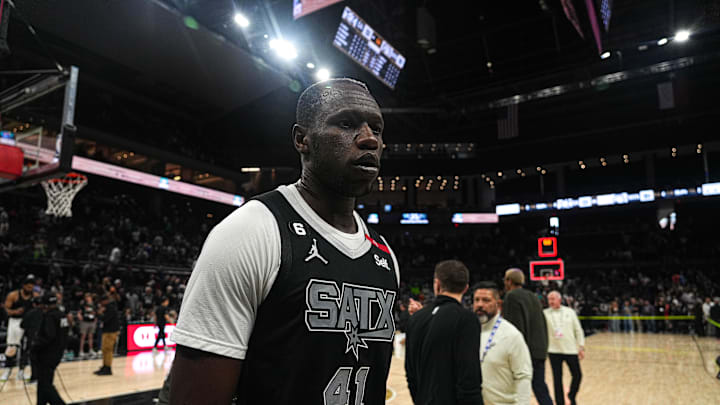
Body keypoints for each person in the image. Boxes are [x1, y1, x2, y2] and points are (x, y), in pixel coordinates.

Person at [170, 78, 400, 404]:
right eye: (347, 124)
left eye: (376, 129)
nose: (368, 139)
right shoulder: (250, 231)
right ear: (302, 140)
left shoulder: (385, 256)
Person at [405, 260, 483, 405]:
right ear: (466, 288)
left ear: (437, 284)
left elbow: (411, 375)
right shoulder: (467, 319)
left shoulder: (416, 318)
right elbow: (468, 378)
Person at [472, 281, 532, 405]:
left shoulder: (512, 335)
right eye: (476, 300)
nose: (480, 305)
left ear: (498, 304)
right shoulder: (468, 332)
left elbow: (523, 376)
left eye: (486, 300)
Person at [502, 268, 553, 405]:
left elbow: (513, 329)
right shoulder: (533, 296)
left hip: (524, 353)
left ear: (509, 281)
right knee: (540, 388)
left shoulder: (511, 297)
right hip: (539, 350)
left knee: (514, 392)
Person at [544, 291, 585, 405]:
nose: (551, 301)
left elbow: (578, 330)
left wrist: (581, 346)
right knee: (557, 380)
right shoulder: (544, 313)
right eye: (549, 299)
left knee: (577, 375)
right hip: (553, 350)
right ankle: (560, 402)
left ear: (559, 299)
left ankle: (571, 395)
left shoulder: (570, 312)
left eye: (553, 299)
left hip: (570, 350)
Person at [34, 294, 69, 405]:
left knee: (45, 385)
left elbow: (48, 336)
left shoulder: (50, 316)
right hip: (58, 352)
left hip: (47, 354)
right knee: (43, 382)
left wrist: (35, 345)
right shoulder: (62, 315)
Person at [2, 275, 35, 381]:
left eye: (32, 287)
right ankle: (7, 371)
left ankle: (21, 371)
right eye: (28, 287)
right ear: (24, 286)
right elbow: (6, 309)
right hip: (15, 321)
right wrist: (15, 312)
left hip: (28, 323)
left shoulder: (34, 295)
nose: (30, 289)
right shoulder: (14, 295)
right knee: (12, 346)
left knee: (26, 348)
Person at [20, 296, 44, 384]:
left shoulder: (29, 313)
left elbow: (22, 325)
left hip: (32, 339)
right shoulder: (46, 313)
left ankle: (34, 377)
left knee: (33, 358)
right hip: (44, 339)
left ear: (34, 304)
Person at [94, 294, 120, 375]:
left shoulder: (111, 308)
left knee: (108, 350)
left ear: (106, 301)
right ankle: (105, 366)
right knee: (104, 349)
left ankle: (108, 368)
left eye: (102, 301)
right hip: (107, 331)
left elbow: (105, 319)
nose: (101, 303)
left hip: (111, 331)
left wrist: (100, 313)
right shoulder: (106, 308)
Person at [78, 293, 98, 359]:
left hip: (92, 322)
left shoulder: (94, 304)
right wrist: (80, 316)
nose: (87, 298)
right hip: (85, 321)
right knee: (83, 336)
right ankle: (81, 351)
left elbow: (96, 312)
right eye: (86, 297)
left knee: (91, 336)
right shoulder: (83, 304)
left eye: (88, 297)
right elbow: (79, 312)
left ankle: (90, 350)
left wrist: (96, 319)